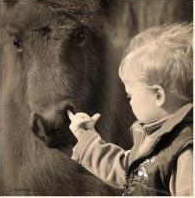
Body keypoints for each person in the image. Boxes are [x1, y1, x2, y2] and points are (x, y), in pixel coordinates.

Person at [67, 23, 193, 196]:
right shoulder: (153, 135)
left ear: (158, 95)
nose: (129, 102)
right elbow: (130, 172)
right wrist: (87, 140)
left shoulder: (185, 151)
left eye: (130, 96)